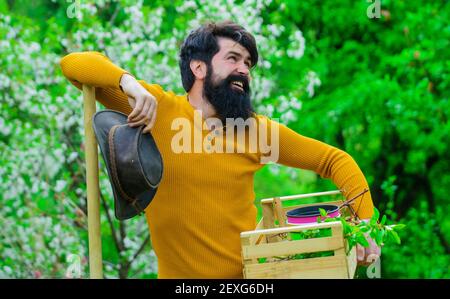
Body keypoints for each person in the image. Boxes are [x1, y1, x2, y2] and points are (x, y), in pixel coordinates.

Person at [60, 21, 381, 278]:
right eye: (233, 58)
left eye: (248, 63)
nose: (245, 69)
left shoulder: (256, 130)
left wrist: (367, 228)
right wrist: (127, 83)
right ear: (199, 68)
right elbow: (74, 64)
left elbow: (335, 160)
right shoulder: (158, 111)